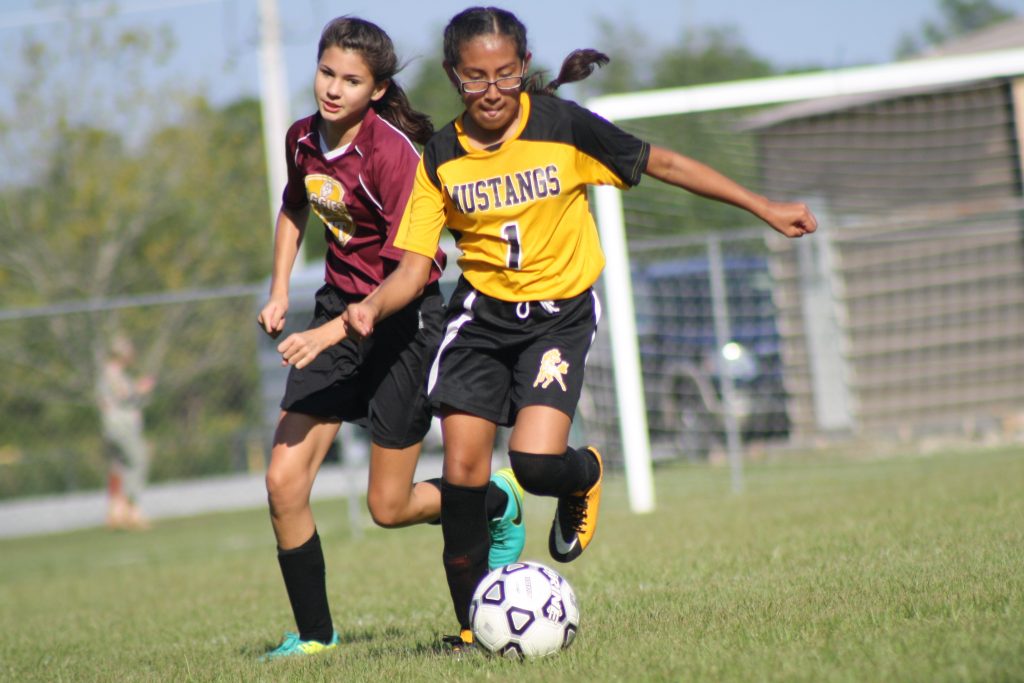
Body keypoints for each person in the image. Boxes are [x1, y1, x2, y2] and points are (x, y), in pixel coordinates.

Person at [342, 6, 818, 651]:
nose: (491, 91)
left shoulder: (563, 126)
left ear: (524, 67)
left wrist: (764, 206)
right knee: (462, 474)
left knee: (536, 465)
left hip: (557, 320)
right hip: (480, 323)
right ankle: (472, 626)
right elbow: (413, 267)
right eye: (476, 77)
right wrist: (372, 305)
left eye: (505, 75)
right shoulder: (441, 156)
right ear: (455, 76)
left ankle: (582, 475)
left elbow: (666, 164)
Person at [254, 16, 525, 661]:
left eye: (351, 80)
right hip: (335, 317)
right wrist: (277, 289)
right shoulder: (302, 139)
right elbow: (296, 206)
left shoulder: (393, 153)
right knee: (282, 483)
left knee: (389, 506)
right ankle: (315, 637)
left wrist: (341, 325)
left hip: (403, 326)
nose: (333, 89)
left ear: (376, 91)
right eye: (326, 73)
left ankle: (496, 500)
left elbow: (424, 265)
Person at [98, 334, 155, 531]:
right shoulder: (113, 373)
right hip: (121, 425)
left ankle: (115, 511)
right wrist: (141, 388)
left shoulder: (111, 373)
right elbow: (124, 395)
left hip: (112, 426)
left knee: (118, 465)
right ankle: (132, 510)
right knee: (138, 460)